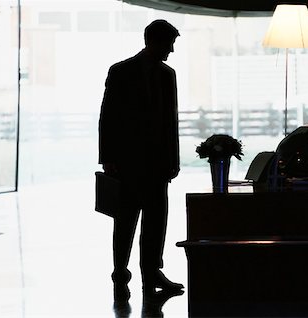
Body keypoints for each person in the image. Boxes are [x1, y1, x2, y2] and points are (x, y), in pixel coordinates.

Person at [98, 19, 183, 302]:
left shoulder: (167, 75)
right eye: (169, 44)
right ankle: (120, 270)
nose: (171, 50)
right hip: (127, 162)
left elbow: (171, 122)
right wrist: (108, 158)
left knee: (156, 221)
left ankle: (151, 271)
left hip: (158, 163)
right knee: (125, 219)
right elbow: (108, 117)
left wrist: (174, 160)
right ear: (155, 42)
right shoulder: (121, 71)